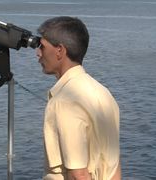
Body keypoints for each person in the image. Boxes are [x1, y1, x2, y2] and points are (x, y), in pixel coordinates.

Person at [36, 16, 121, 180]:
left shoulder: (64, 101)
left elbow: (78, 174)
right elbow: (115, 168)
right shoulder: (104, 94)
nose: (38, 53)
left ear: (60, 50)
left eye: (42, 47)